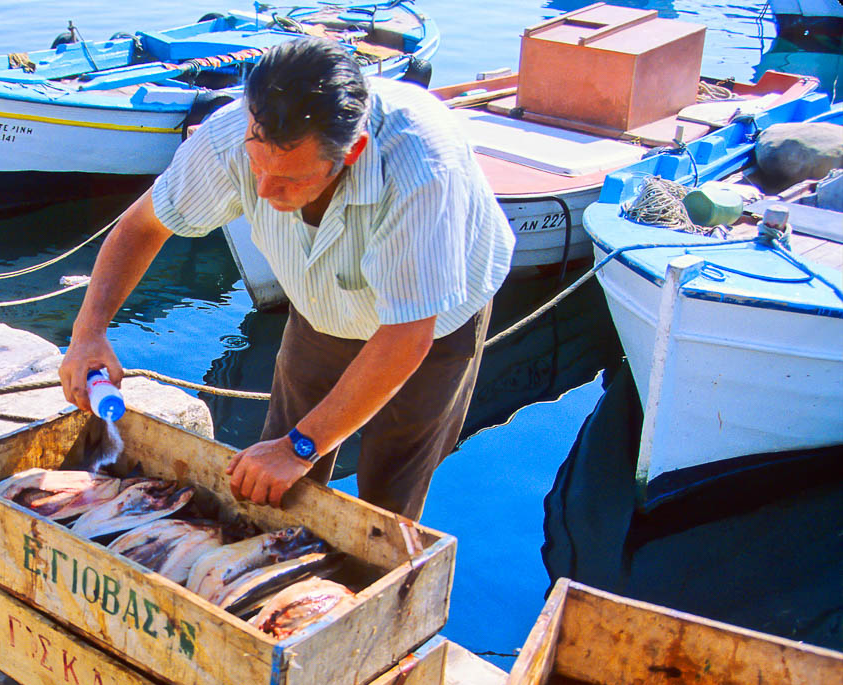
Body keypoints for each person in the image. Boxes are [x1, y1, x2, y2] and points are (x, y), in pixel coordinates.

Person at [60, 37, 513, 520]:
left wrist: (301, 447)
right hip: (321, 306)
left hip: (433, 321)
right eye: (257, 165)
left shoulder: (422, 170)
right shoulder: (229, 136)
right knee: (271, 481)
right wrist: (88, 333)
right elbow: (144, 225)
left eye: (291, 179)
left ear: (352, 152)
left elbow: (406, 336)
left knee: (388, 494)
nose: (263, 190)